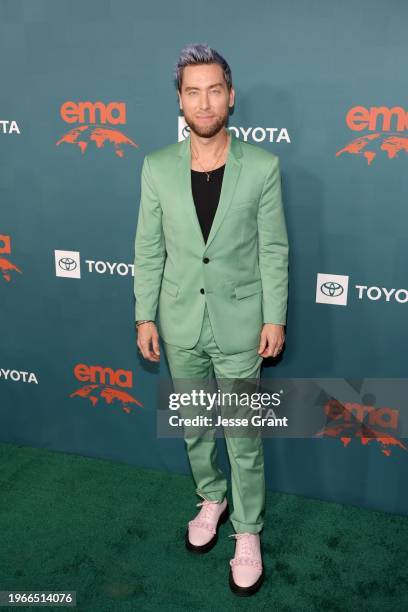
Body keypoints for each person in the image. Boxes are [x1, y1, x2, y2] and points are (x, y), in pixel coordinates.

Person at [133, 42, 289, 597]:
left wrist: (276, 316)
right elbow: (149, 248)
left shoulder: (263, 167)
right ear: (180, 101)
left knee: (244, 432)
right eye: (192, 92)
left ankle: (248, 531)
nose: (204, 103)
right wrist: (143, 316)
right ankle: (212, 497)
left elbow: (273, 249)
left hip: (243, 323)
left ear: (231, 97)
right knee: (196, 424)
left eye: (214, 91)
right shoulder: (155, 167)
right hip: (178, 323)